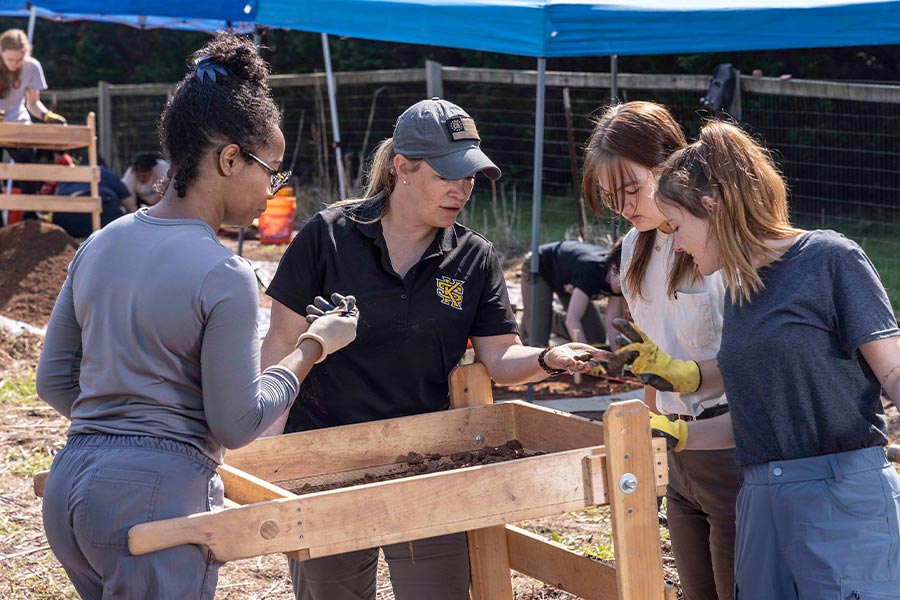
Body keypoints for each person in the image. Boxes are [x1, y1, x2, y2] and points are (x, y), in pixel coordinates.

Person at [35, 33, 360, 600]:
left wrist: (117, 430)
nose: (274, 189)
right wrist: (313, 346)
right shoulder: (224, 273)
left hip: (69, 491)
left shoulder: (100, 243)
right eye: (273, 170)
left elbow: (52, 380)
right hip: (154, 501)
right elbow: (237, 423)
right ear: (230, 159)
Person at [260, 97, 604, 600]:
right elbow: (280, 343)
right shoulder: (328, 236)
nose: (461, 189)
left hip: (428, 459)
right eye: (447, 175)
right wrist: (266, 449)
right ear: (402, 167)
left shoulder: (474, 257)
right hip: (325, 459)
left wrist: (550, 358)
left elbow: (500, 358)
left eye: (469, 176)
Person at [620, 119, 900, 598]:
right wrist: (678, 430)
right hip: (761, 500)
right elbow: (756, 416)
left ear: (712, 207)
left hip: (840, 499)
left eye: (678, 227)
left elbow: (893, 371)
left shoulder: (830, 259)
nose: (678, 244)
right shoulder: (740, 288)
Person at [582, 101, 740, 600]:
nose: (625, 206)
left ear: (671, 162)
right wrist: (652, 436)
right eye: (611, 196)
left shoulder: (720, 242)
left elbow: (756, 359)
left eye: (633, 188)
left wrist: (685, 379)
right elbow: (652, 358)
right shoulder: (633, 248)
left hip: (732, 443)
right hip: (676, 449)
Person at [519, 239, 626, 349]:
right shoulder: (592, 272)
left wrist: (618, 358)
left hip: (568, 280)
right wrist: (585, 353)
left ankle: (550, 318)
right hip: (540, 265)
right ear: (613, 269)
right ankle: (538, 317)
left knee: (595, 338)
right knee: (538, 343)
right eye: (625, 284)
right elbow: (573, 320)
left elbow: (611, 322)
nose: (627, 290)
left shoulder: (619, 279)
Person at [51, 156, 132, 237]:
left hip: (66, 215)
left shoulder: (70, 174)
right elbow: (130, 205)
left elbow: (57, 197)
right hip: (103, 210)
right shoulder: (104, 172)